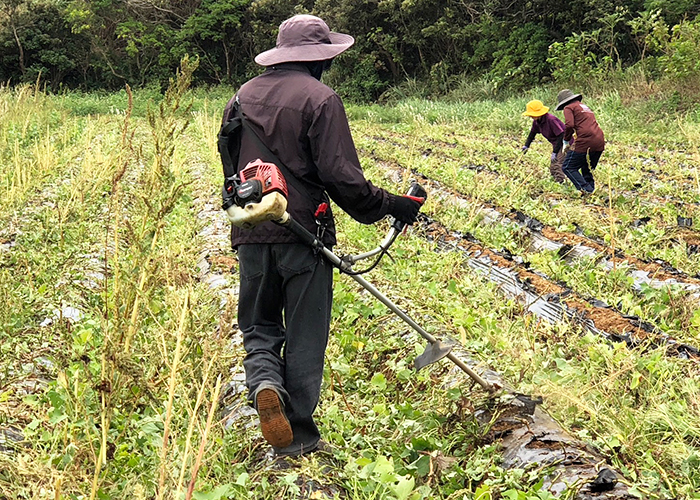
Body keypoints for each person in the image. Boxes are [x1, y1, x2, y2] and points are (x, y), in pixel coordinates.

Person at [219, 14, 422, 458]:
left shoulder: (238, 99)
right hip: (303, 235)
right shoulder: (321, 98)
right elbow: (342, 178)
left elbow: (230, 168)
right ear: (320, 59)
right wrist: (393, 205)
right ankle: (299, 438)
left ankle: (266, 384)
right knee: (306, 334)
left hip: (252, 232)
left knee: (258, 324)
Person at [554, 89, 605, 195]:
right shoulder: (583, 106)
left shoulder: (569, 107)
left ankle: (587, 190)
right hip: (599, 139)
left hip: (586, 140)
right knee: (587, 167)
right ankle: (592, 193)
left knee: (568, 167)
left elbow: (569, 125)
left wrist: (566, 141)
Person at [520, 100, 567, 184]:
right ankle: (557, 183)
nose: (530, 116)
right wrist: (526, 145)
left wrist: (555, 152)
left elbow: (561, 135)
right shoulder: (537, 122)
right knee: (553, 167)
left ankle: (563, 185)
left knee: (557, 165)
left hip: (565, 143)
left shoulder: (551, 120)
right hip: (556, 144)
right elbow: (532, 133)